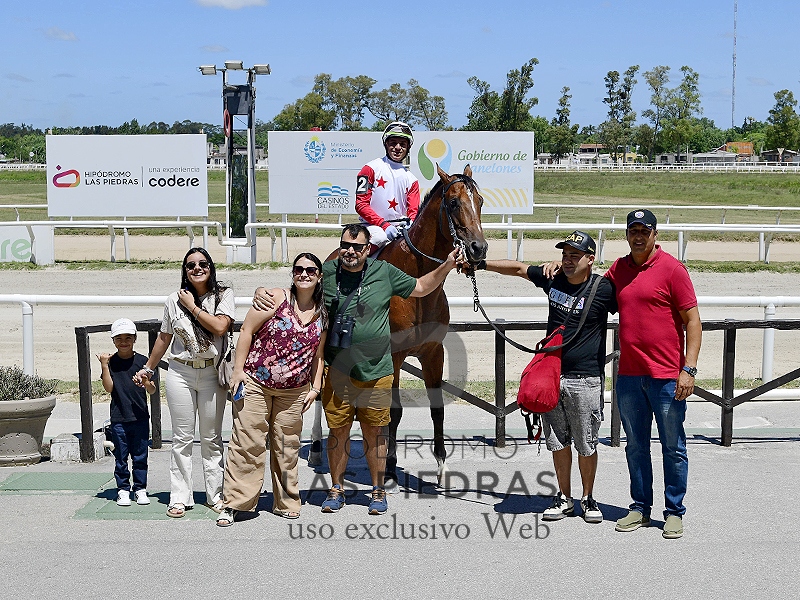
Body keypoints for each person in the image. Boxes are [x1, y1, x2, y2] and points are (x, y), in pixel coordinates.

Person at [254, 224, 463, 515]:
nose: (350, 251)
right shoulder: (327, 272)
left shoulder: (385, 272)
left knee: (375, 432)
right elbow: (297, 290)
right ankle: (336, 489)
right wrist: (261, 290)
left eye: (356, 247)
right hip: (337, 370)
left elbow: (421, 287)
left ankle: (377, 491)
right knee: (338, 432)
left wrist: (447, 265)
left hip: (376, 370)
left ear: (367, 249)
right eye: (345, 246)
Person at [475, 231, 616, 524]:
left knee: (587, 443)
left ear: (590, 259)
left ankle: (588, 498)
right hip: (550, 376)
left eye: (574, 256)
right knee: (557, 442)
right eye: (565, 255)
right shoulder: (554, 277)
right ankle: (564, 497)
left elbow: (635, 300)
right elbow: (518, 269)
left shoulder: (603, 289)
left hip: (586, 378)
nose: (568, 260)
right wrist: (480, 265)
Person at [605, 209, 701, 539]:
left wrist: (688, 369)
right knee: (635, 446)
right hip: (630, 376)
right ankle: (640, 508)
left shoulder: (673, 269)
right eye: (633, 230)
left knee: (673, 447)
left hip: (667, 377)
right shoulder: (618, 269)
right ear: (626, 234)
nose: (638, 236)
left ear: (655, 234)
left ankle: (674, 511)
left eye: (644, 231)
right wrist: (559, 269)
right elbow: (589, 288)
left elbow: (693, 321)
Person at [216, 253, 327, 527]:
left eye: (310, 270)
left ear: (319, 276)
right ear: (293, 273)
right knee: (247, 443)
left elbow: (318, 355)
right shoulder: (276, 298)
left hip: (294, 391)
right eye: (298, 269)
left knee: (287, 448)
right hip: (256, 382)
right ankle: (234, 503)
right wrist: (238, 371)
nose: (304, 274)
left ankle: (287, 502)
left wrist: (315, 387)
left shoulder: (323, 312)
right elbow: (246, 331)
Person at [134, 248, 235, 518]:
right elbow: (164, 337)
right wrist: (148, 368)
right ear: (185, 270)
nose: (197, 269)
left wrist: (191, 306)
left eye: (203, 264)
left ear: (211, 267)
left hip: (212, 372)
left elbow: (220, 327)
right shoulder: (172, 300)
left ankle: (216, 495)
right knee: (182, 438)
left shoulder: (223, 295)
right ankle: (179, 496)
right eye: (191, 265)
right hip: (180, 371)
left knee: (211, 437)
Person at [97, 317, 156, 507]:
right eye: (119, 338)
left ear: (135, 339)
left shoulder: (143, 361)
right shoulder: (111, 362)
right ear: (113, 340)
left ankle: (140, 489)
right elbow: (109, 388)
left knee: (140, 456)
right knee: (121, 457)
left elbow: (152, 389)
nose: (124, 342)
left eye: (128, 338)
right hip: (119, 417)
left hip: (140, 417)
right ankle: (123, 489)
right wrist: (104, 365)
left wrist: (145, 381)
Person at [355, 121, 420, 249]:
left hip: (399, 229)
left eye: (402, 144)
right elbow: (361, 205)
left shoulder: (412, 180)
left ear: (408, 147)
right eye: (393, 143)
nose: (398, 147)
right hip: (372, 227)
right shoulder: (369, 169)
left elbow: (413, 212)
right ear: (386, 144)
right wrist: (384, 225)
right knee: (380, 237)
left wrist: (410, 224)